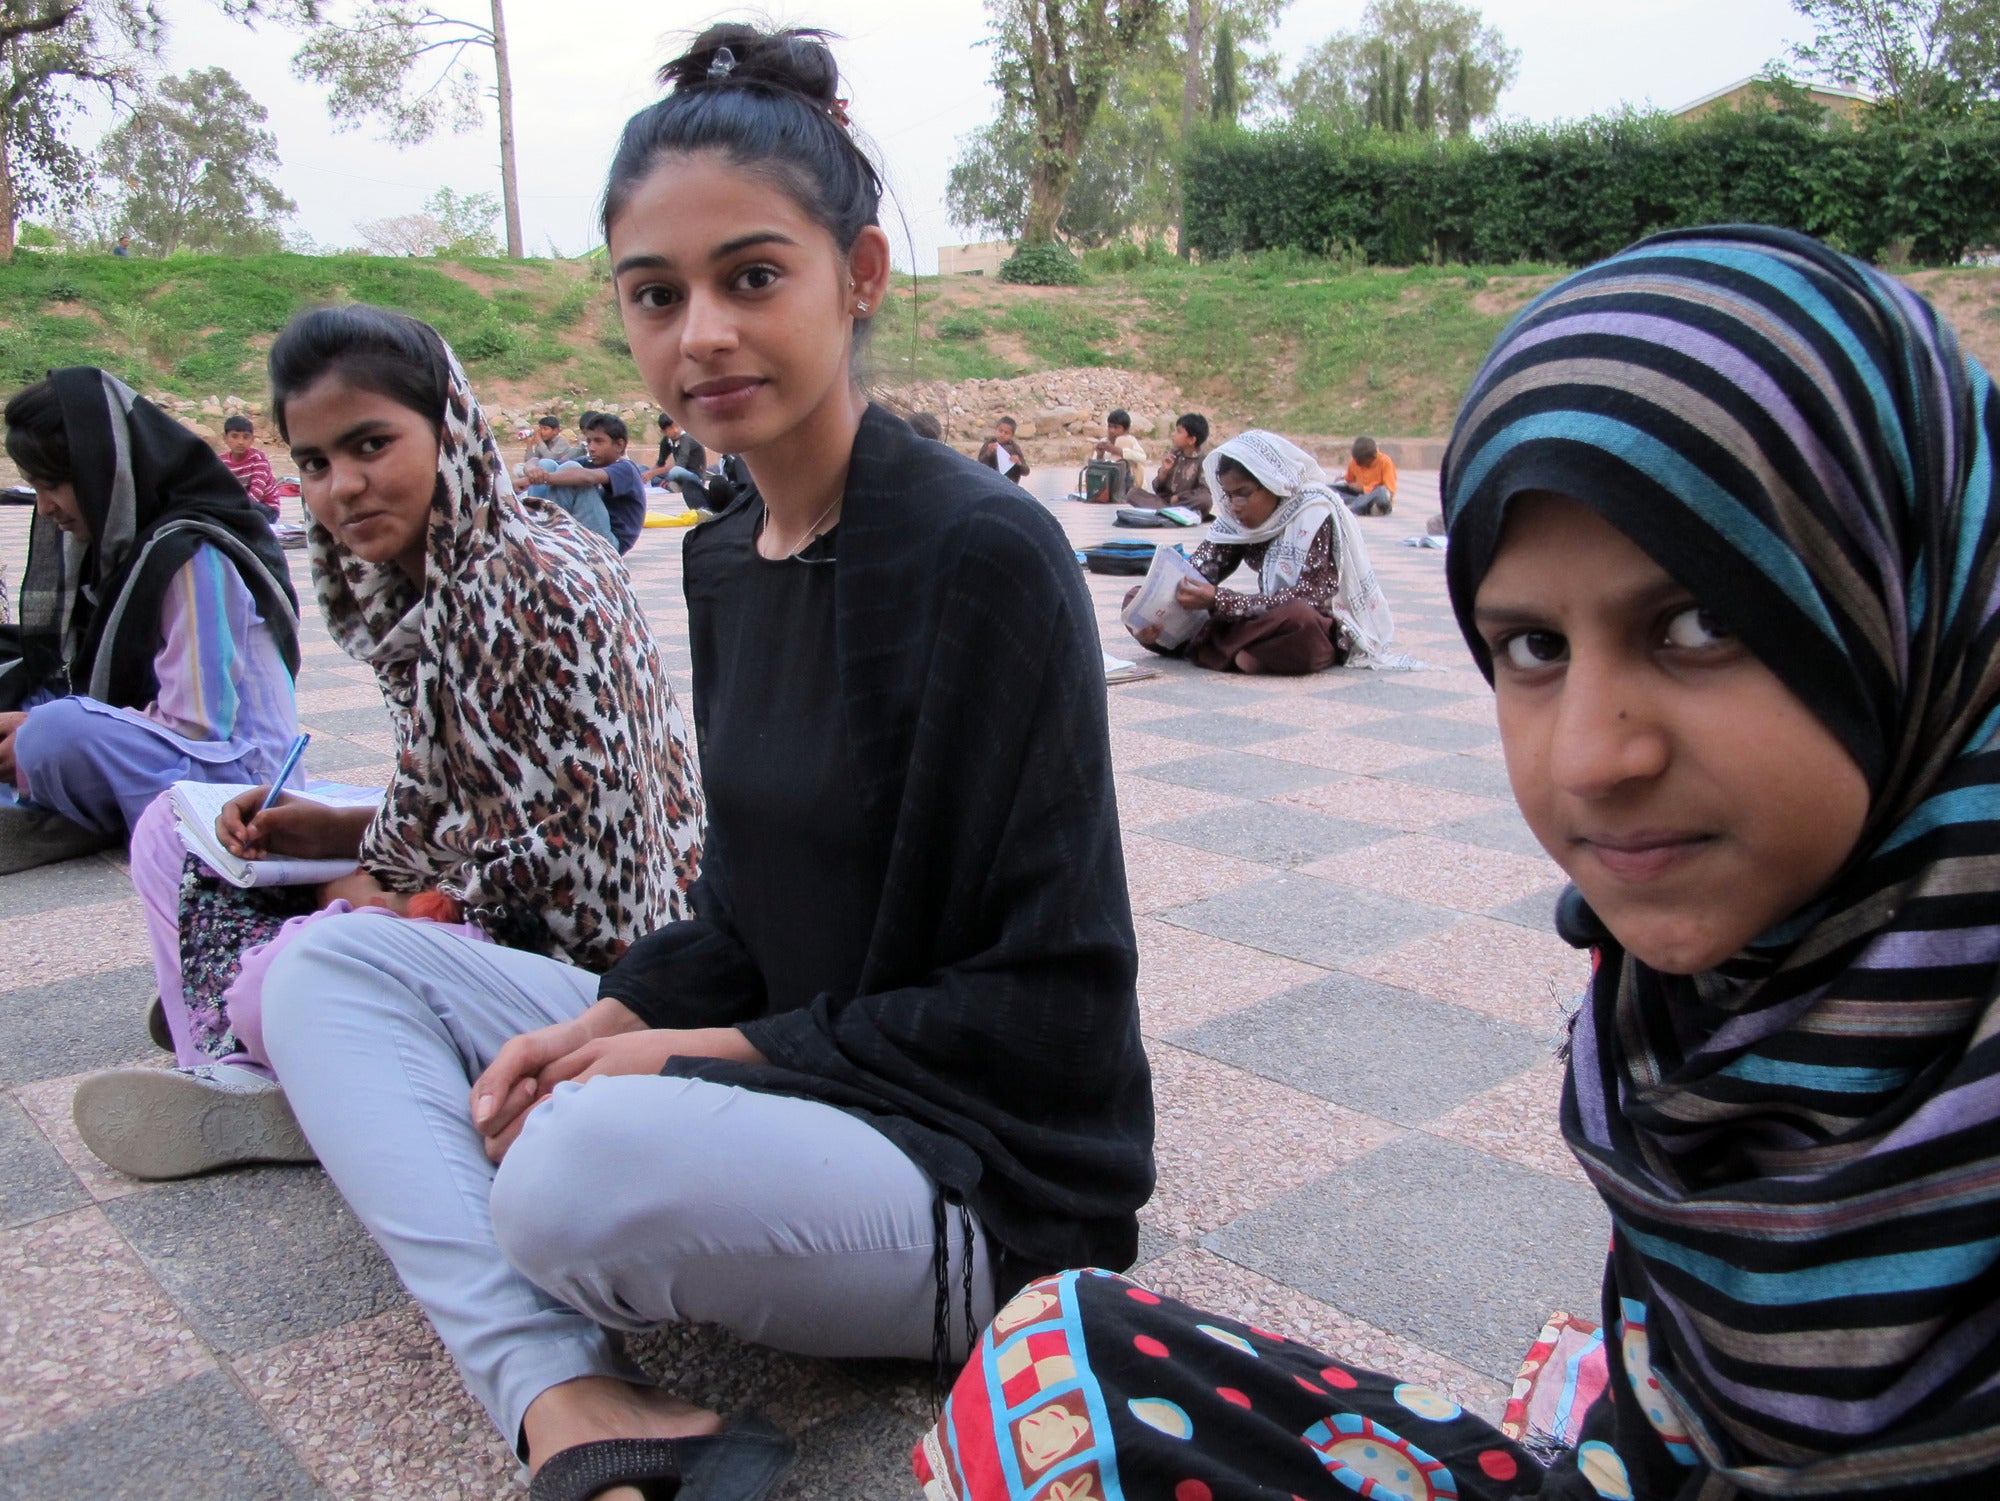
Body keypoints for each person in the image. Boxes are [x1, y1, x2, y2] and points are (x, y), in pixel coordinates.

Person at [928, 225, 2000, 1500]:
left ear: (1912, 605)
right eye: (1532, 647)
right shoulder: (1677, 991)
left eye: (1700, 623)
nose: (1592, 758)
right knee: (1053, 1366)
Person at [247, 26, 1151, 1501]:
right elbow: (739, 918)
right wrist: (614, 1008)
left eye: (752, 277)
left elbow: (1043, 1010)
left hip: (977, 1168)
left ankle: (470, 1199)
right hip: (788, 1080)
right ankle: (566, 1398)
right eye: (656, 297)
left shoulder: (985, 556)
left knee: (567, 1171)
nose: (702, 335)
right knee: (325, 969)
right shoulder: (728, 558)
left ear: (857, 276)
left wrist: (680, 1053)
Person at [70, 304, 705, 1184]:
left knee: (287, 975)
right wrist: (339, 836)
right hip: (477, 885)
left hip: (583, 967)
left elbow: (565, 868)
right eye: (317, 463)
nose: (343, 487)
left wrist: (366, 875)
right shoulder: (447, 573)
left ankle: (285, 1063)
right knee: (171, 834)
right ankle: (275, 1048)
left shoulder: (513, 596)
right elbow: (466, 798)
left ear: (450, 433)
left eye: (372, 445)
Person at [0, 371, 300, 874]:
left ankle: (61, 798)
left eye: (53, 486)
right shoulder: (126, 545)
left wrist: (32, 730)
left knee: (50, 733)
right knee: (26, 690)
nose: (46, 508)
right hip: (165, 750)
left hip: (236, 780)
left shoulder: (192, 553)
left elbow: (198, 724)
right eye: (35, 488)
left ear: (103, 471)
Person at [1127, 430, 1397, 675]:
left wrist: (1220, 600)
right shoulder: (1235, 518)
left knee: (1300, 620)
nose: (1235, 506)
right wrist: (1159, 611)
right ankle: (1238, 654)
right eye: (1229, 495)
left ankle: (1206, 647)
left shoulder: (1313, 514)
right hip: (1258, 618)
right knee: (1135, 597)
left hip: (1310, 620)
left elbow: (1310, 596)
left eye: (1243, 494)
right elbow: (1198, 573)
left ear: (1273, 484)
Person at [524, 412, 646, 554]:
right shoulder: (589, 462)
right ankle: (538, 533)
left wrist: (544, 478)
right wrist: (532, 471)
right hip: (589, 533)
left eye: (598, 441)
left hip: (608, 544)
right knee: (547, 464)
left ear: (619, 445)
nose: (591, 447)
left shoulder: (626, 468)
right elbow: (536, 462)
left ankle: (547, 538)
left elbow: (586, 477)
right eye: (589, 441)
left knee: (570, 472)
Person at [218, 415, 280, 520]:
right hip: (238, 507)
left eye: (246, 437)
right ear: (225, 438)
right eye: (234, 436)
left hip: (266, 509)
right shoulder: (222, 461)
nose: (240, 442)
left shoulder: (258, 458)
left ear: (252, 439)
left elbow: (256, 493)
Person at [1148, 410, 1210, 514]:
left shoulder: (1202, 460)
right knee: (1133, 493)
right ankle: (1171, 511)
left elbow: (1204, 491)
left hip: (1185, 501)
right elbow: (1157, 488)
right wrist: (1164, 472)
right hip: (1166, 501)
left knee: (1206, 501)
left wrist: (1179, 497)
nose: (1174, 434)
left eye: (1178, 432)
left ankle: (1171, 511)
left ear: (1191, 440)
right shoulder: (1174, 454)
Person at [642, 410, 707, 504]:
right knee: (642, 469)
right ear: (663, 431)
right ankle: (671, 485)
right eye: (671, 428)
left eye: (676, 425)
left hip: (694, 476)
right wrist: (647, 474)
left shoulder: (686, 438)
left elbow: (679, 466)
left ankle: (668, 484)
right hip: (677, 476)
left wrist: (653, 473)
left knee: (674, 471)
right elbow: (660, 463)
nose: (676, 429)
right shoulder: (667, 441)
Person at [1335, 433, 1397, 516]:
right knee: (1330, 489)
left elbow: (1389, 491)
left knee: (1382, 492)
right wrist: (1344, 481)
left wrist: (1364, 489)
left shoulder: (1385, 461)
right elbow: (1348, 480)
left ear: (1373, 457)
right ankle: (1360, 507)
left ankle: (1353, 507)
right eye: (1357, 462)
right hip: (1357, 497)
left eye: (1362, 463)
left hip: (1375, 497)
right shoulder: (1355, 461)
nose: (1358, 464)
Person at [513, 415, 581, 486]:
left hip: (556, 470)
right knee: (518, 467)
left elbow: (549, 458)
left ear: (555, 431)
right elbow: (530, 461)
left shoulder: (561, 441)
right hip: (541, 469)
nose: (541, 432)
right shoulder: (542, 442)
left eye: (545, 429)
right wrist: (529, 445)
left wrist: (539, 440)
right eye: (540, 429)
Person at [1091, 408, 1148, 486]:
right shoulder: (1104, 442)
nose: (1112, 430)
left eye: (1116, 427)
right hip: (1108, 484)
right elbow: (1094, 469)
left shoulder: (1130, 440)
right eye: (1110, 426)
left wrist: (1119, 451)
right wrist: (1099, 456)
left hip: (1130, 485)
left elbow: (1142, 458)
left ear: (1126, 430)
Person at [976, 415, 1029, 482]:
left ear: (1012, 436)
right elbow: (979, 465)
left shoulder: (1014, 448)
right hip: (990, 482)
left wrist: (1018, 462)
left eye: (1006, 433)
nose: (1002, 434)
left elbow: (1026, 472)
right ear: (996, 430)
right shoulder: (989, 444)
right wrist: (988, 453)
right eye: (1000, 431)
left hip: (1009, 484)